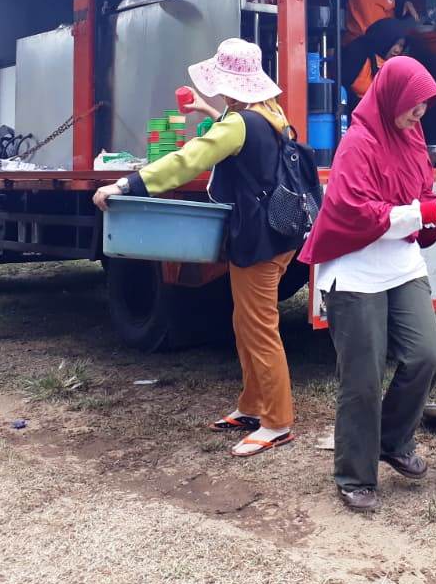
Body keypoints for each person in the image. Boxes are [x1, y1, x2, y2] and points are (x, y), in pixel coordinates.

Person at [299, 56, 436, 512]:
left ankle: (391, 440)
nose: (419, 114)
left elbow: (421, 196)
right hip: (354, 268)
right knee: (362, 378)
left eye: (425, 106)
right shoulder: (358, 143)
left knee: (427, 354)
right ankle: (355, 475)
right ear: (391, 97)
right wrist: (428, 214)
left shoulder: (411, 136)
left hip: (400, 263)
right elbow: (356, 212)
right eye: (414, 105)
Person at [92, 38, 301, 458]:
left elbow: (189, 159)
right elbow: (235, 136)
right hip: (279, 235)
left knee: (259, 329)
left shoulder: (239, 124)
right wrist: (210, 113)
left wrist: (127, 183)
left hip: (257, 240)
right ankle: (252, 405)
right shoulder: (271, 114)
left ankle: (277, 421)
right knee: (246, 323)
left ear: (230, 84)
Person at [340, 16, 418, 98]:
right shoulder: (357, 53)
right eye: (394, 44)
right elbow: (343, 87)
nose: (397, 50)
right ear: (384, 39)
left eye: (401, 46)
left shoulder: (394, 64)